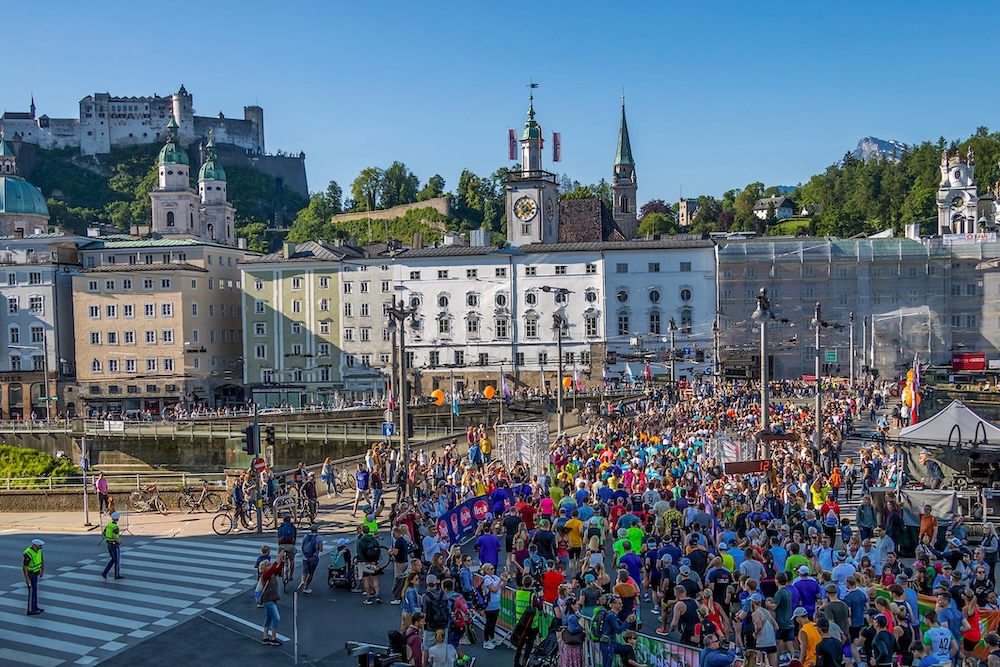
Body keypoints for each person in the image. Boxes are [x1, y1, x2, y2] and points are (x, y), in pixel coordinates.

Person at [260, 550, 288, 646]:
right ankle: (273, 638)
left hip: (270, 598)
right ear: (264, 568)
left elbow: (277, 570)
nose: (270, 565)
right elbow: (273, 569)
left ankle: (265, 637)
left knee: (268, 618)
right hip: (268, 599)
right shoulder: (266, 574)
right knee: (276, 618)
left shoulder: (270, 574)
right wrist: (278, 558)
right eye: (268, 564)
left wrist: (281, 561)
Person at [513, 575, 542, 667]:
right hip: (531, 625)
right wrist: (540, 597)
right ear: (531, 583)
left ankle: (516, 662)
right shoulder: (532, 595)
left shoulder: (518, 593)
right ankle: (526, 662)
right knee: (529, 646)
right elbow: (540, 606)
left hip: (520, 623)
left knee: (520, 644)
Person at [480, 563, 504, 649]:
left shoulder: (495, 577)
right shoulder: (487, 579)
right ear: (486, 570)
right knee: (489, 623)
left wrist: (503, 580)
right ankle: (486, 640)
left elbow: (502, 587)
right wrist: (500, 581)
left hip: (496, 603)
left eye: (493, 568)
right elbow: (494, 589)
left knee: (493, 623)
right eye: (490, 569)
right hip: (490, 604)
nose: (493, 570)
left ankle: (492, 637)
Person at [357, 524, 383, 604]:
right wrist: (376, 560)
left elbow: (359, 553)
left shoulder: (360, 541)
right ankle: (377, 594)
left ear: (362, 531)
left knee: (366, 580)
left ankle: (368, 597)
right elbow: (379, 550)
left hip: (365, 562)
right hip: (373, 561)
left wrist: (363, 561)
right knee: (375, 579)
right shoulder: (374, 540)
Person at [298, 525, 323, 594]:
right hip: (314, 557)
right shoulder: (319, 538)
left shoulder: (305, 536)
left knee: (305, 571)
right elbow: (321, 549)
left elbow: (302, 546)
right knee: (311, 573)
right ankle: (306, 587)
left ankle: (302, 581)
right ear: (317, 530)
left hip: (305, 557)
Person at [22, 538, 44, 615]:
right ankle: (30, 610)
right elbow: (24, 567)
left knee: (35, 591)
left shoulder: (39, 550)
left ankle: (35, 606)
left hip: (36, 572)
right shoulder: (28, 553)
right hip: (30, 574)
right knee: (31, 592)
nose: (41, 547)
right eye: (39, 545)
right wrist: (27, 579)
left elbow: (42, 559)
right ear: (35, 545)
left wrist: (42, 570)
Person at [102, 511, 123, 579]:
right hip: (114, 544)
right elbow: (113, 534)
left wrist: (107, 537)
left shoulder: (109, 525)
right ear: (117, 519)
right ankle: (116, 575)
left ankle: (105, 572)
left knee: (113, 559)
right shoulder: (115, 527)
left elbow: (104, 532)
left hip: (108, 543)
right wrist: (118, 541)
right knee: (116, 560)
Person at [276, 515, 297, 582]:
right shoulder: (292, 527)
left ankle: (279, 572)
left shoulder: (280, 527)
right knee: (292, 560)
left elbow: (278, 537)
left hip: (281, 545)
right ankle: (291, 575)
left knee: (279, 559)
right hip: (290, 545)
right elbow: (294, 538)